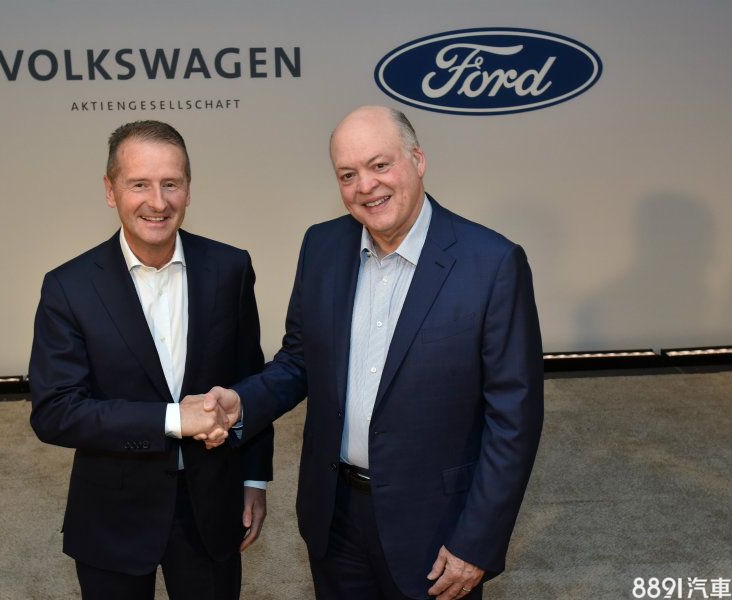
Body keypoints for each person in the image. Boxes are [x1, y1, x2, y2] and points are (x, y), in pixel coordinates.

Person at [195, 106, 543, 599]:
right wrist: (242, 402)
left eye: (380, 165)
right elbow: (299, 361)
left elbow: (514, 420)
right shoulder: (322, 246)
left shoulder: (492, 263)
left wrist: (476, 541)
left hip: (437, 527)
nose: (366, 186)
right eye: (348, 174)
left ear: (417, 160)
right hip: (334, 517)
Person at [28, 120, 273, 600]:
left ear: (189, 189)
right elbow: (55, 411)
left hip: (211, 506)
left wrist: (254, 478)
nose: (157, 202)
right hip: (112, 515)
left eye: (171, 184)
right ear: (110, 190)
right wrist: (173, 419)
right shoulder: (68, 287)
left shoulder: (230, 269)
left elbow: (251, 381)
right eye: (139, 184)